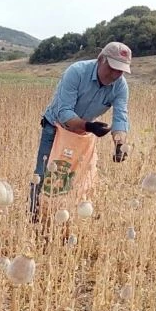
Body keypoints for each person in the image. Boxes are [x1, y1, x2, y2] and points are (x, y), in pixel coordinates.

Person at [28, 41, 132, 222]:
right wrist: (90, 126)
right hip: (55, 126)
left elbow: (120, 118)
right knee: (43, 174)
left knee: (77, 177)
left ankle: (65, 217)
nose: (115, 74)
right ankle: (33, 217)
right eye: (112, 68)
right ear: (101, 60)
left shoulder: (120, 86)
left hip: (82, 134)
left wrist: (119, 144)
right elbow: (64, 112)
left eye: (120, 70)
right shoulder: (76, 72)